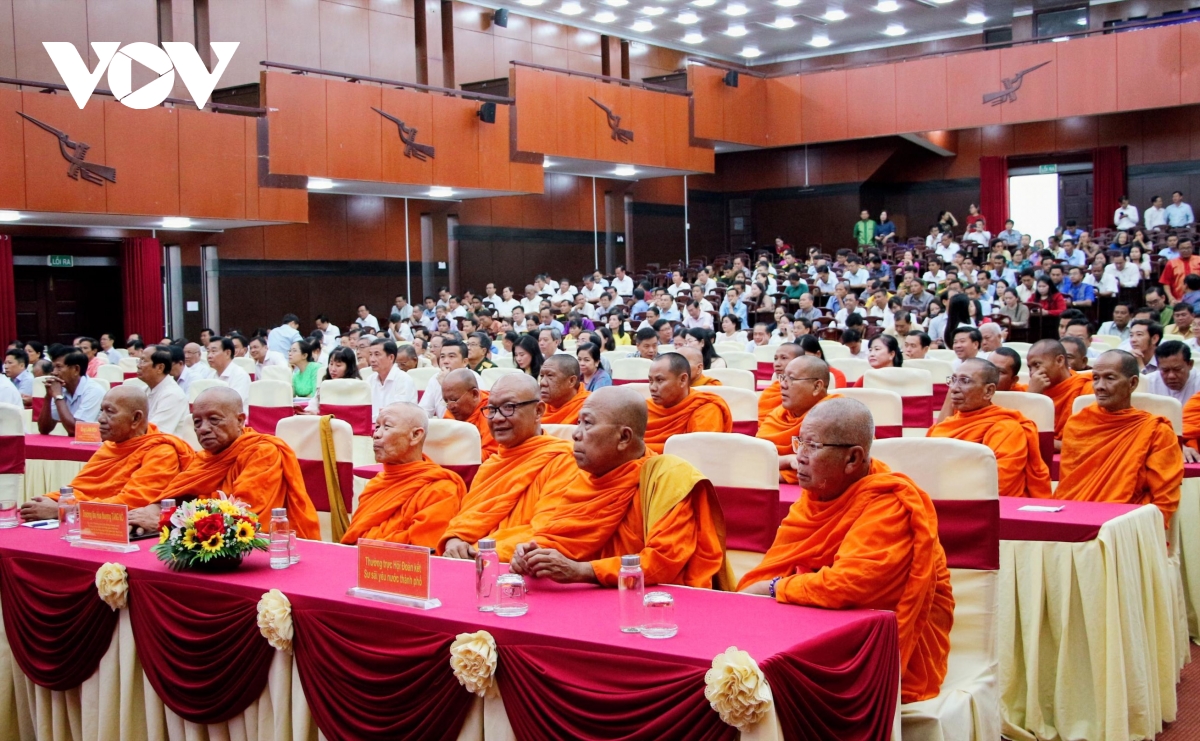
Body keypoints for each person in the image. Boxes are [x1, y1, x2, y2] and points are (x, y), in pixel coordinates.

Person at [738, 398, 954, 703]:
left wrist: (772, 588)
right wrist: (763, 588)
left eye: (812, 446)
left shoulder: (889, 505)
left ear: (853, 459)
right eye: (799, 442)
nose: (798, 457)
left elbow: (849, 584)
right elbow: (775, 565)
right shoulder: (817, 497)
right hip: (811, 626)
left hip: (871, 645)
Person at [508, 386, 731, 589]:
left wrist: (584, 571)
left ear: (624, 437)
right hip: (585, 595)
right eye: (578, 423)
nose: (575, 434)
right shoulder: (582, 476)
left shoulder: (668, 479)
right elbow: (559, 538)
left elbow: (663, 562)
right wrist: (531, 554)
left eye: (588, 423)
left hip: (652, 603)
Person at [440, 374, 579, 561]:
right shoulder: (491, 466)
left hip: (523, 571)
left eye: (508, 407)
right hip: (475, 563)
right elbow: (468, 518)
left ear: (538, 411)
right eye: (491, 409)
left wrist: (481, 551)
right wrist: (454, 540)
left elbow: (546, 530)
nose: (496, 418)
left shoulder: (564, 460)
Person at [19, 387, 194, 528]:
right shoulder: (111, 445)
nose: (101, 419)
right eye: (101, 411)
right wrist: (51, 500)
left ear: (136, 418)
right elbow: (82, 489)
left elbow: (133, 502)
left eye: (110, 412)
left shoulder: (161, 451)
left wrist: (64, 508)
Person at [160, 387, 320, 537]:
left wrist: (176, 518)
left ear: (240, 420)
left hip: (268, 547)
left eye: (214, 419)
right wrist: (159, 512)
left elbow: (245, 515)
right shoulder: (204, 458)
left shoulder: (262, 452)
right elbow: (178, 497)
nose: (203, 429)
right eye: (197, 422)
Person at [1056, 351, 1183, 524]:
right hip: (1073, 519)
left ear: (1132, 383)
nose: (1099, 386)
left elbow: (1164, 499)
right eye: (1095, 378)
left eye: (1110, 378)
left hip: (1125, 525)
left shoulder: (1156, 431)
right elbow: (1070, 488)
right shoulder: (1078, 424)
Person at [338, 402, 464, 547]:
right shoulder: (376, 484)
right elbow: (355, 535)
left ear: (416, 435)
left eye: (387, 427)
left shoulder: (441, 489)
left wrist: (369, 539)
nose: (376, 434)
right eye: (377, 427)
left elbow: (421, 547)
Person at [927, 359, 1051, 498]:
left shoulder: (1006, 428)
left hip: (984, 507)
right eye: (953, 380)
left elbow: (998, 483)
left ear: (988, 390)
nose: (954, 389)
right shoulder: (945, 425)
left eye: (965, 381)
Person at [757, 355, 837, 483]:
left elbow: (833, 468)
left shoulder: (839, 416)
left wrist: (774, 472)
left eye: (791, 379)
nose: (782, 385)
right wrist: (787, 460)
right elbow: (754, 458)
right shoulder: (778, 416)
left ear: (816, 387)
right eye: (783, 378)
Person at [644, 353, 733, 453]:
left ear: (683, 380)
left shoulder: (705, 408)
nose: (652, 387)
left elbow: (701, 455)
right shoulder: (645, 408)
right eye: (650, 381)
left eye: (659, 380)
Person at [1026, 339, 1094, 447]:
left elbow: (1086, 442)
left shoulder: (1088, 389)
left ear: (1059, 361)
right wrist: (1032, 397)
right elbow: (1022, 434)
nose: (1032, 373)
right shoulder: (1033, 389)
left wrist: (1047, 444)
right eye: (1029, 368)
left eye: (1037, 365)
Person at [37, 347, 104, 435]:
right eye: (53, 368)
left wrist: (58, 397)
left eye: (59, 367)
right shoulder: (60, 388)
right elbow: (44, 429)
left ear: (76, 369)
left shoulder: (94, 391)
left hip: (94, 444)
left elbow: (76, 431)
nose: (54, 372)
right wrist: (48, 397)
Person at [439, 368, 498, 460]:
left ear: (474, 394)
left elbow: (491, 455)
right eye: (446, 401)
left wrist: (454, 455)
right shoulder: (452, 411)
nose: (450, 406)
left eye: (454, 399)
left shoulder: (490, 413)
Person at [136, 346, 191, 438]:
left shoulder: (172, 395)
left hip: (163, 448)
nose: (138, 365)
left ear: (160, 368)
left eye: (144, 361)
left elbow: (155, 433)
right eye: (139, 361)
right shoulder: (144, 390)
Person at [367, 339, 418, 422]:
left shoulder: (404, 380)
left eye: (377, 354)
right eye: (370, 354)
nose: (372, 359)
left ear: (391, 357)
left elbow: (396, 414)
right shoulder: (370, 380)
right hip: (373, 426)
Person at [539, 355, 590, 425]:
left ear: (571, 381)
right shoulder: (538, 407)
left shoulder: (588, 408)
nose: (542, 382)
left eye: (550, 375)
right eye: (541, 376)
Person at [759, 343, 802, 424]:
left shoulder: (805, 390)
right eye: (775, 358)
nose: (777, 364)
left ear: (798, 361)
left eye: (784, 358)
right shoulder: (772, 390)